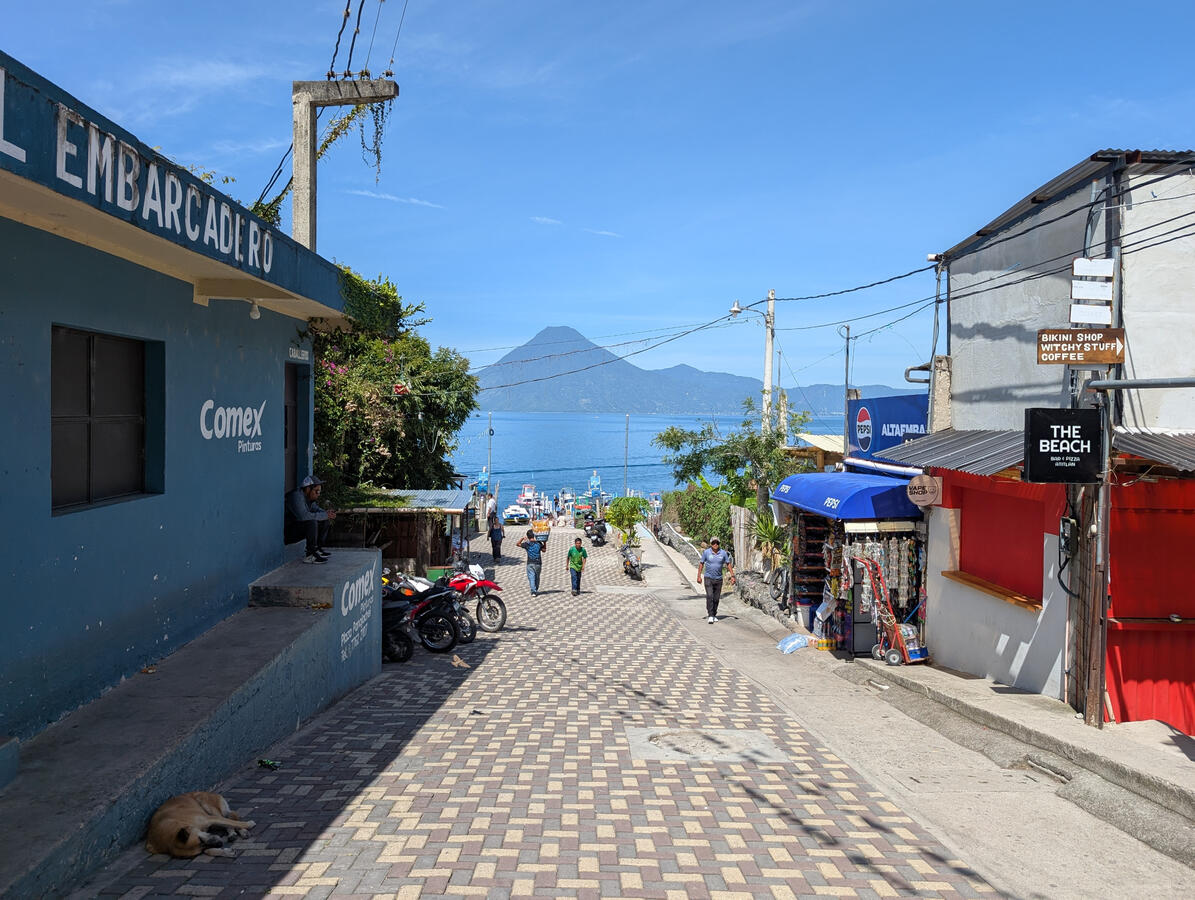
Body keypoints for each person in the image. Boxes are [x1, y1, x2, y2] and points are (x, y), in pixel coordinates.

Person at [285, 475, 336, 565]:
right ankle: (310, 555)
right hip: (287, 533)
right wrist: (324, 515)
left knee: (324, 520)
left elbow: (317, 509)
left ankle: (317, 549)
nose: (318, 494)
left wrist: (327, 513)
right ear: (308, 489)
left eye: (319, 491)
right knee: (311, 522)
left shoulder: (309, 498)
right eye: (316, 491)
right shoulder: (296, 496)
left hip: (297, 529)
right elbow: (303, 516)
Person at [696, 537, 734, 623]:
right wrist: (699, 576)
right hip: (708, 578)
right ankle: (710, 615)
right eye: (713, 543)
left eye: (717, 543)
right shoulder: (706, 552)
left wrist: (732, 576)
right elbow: (701, 563)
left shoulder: (723, 553)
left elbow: (728, 564)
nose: (715, 544)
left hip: (719, 579)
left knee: (716, 598)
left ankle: (714, 614)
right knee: (710, 596)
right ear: (711, 544)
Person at [516, 529, 544, 595]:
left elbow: (517, 544)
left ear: (528, 536)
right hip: (538, 563)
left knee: (531, 577)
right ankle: (535, 589)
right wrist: (544, 542)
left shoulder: (527, 544)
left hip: (530, 563)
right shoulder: (538, 542)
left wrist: (522, 538)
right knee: (537, 577)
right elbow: (544, 550)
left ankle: (533, 591)